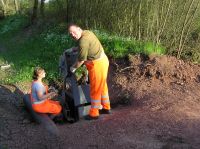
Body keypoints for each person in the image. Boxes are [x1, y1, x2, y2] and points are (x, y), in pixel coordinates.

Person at [68, 23, 111, 120]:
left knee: (95, 89)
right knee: (102, 86)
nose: (73, 35)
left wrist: (73, 68)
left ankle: (94, 113)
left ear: (79, 29)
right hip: (103, 60)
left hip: (97, 65)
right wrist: (76, 48)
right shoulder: (86, 32)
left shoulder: (83, 41)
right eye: (71, 34)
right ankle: (106, 107)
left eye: (74, 32)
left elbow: (80, 60)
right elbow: (86, 46)